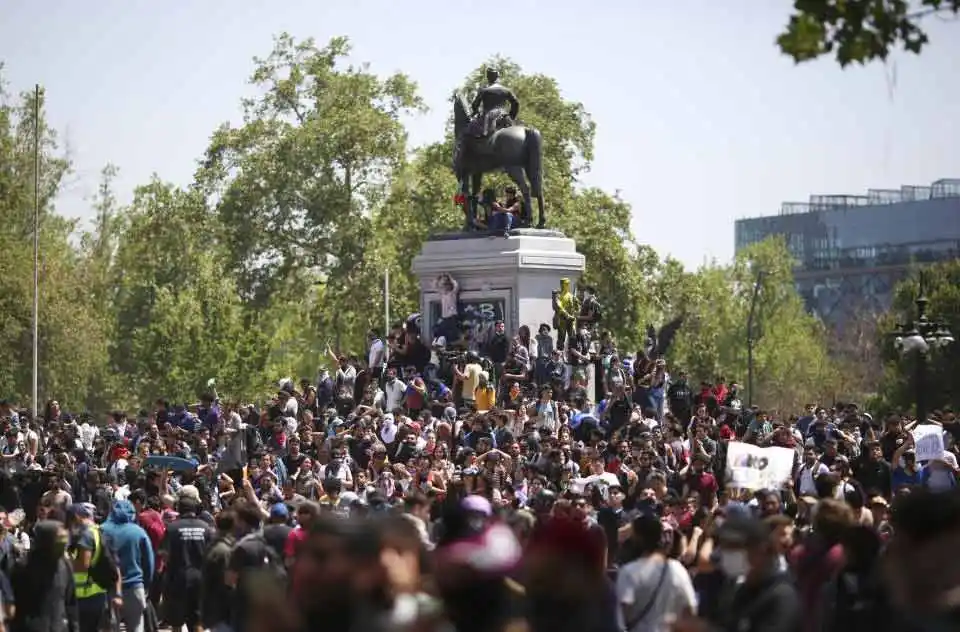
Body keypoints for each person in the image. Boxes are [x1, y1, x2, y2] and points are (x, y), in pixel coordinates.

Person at [10, 520, 78, 632]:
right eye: (59, 539)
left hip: (59, 627)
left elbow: (71, 603)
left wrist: (74, 627)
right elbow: (17, 605)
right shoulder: (24, 567)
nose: (63, 543)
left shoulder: (64, 565)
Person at [100, 500, 154, 632]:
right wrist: (146, 585)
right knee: (136, 627)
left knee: (110, 628)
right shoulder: (139, 532)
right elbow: (149, 562)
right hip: (135, 587)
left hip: (108, 590)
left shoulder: (101, 530)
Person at [160, 497, 213, 632]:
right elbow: (211, 553)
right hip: (200, 579)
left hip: (177, 579)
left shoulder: (172, 528)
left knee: (176, 621)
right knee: (197, 620)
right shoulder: (205, 528)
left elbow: (164, 554)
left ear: (178, 510)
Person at [470, 66, 519, 138]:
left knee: (469, 131)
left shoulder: (484, 91)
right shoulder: (506, 90)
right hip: (504, 117)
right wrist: (511, 116)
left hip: (487, 117)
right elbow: (516, 103)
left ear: (488, 77)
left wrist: (476, 112)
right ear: (497, 77)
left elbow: (475, 105)